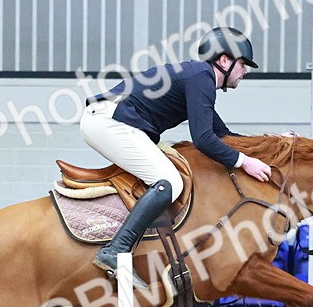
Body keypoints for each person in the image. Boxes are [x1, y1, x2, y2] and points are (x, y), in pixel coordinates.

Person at [80, 26, 273, 288]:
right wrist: (245, 162)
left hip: (114, 121)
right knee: (170, 181)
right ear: (224, 60)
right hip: (110, 122)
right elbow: (204, 140)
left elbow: (222, 135)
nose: (246, 71)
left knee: (173, 173)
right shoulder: (201, 78)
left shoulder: (198, 77)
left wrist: (272, 143)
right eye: (243, 64)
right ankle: (115, 250)